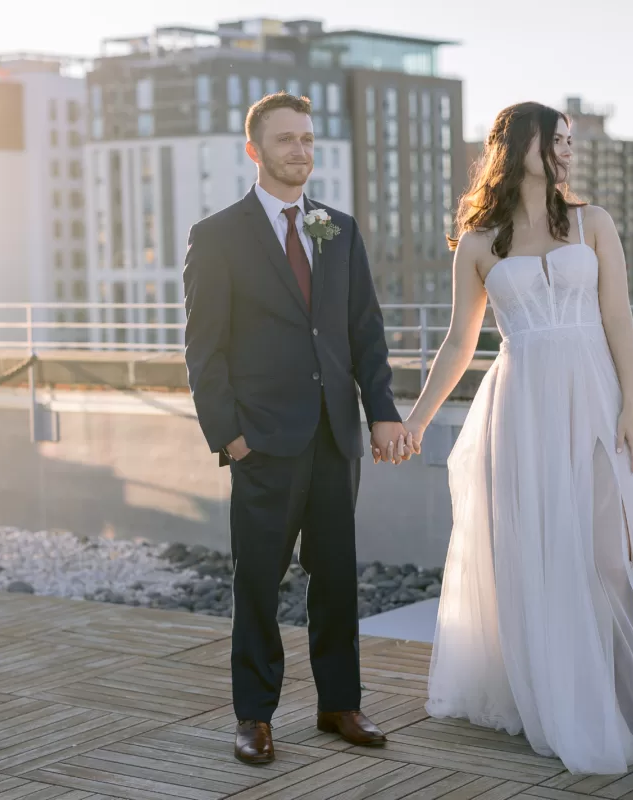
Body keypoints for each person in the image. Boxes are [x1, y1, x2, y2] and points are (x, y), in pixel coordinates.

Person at [402, 102, 633, 775]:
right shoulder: (478, 243)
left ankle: (623, 703)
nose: (566, 151)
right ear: (517, 144)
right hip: (521, 408)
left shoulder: (593, 222)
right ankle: (555, 702)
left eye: (569, 142)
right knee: (538, 558)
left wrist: (632, 408)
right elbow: (458, 344)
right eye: (554, 140)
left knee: (610, 559)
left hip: (596, 401)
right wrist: (416, 417)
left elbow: (619, 320)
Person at [183, 92, 411, 765]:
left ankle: (340, 704)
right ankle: (254, 716)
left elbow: (364, 333)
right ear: (254, 150)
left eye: (308, 139)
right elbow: (204, 349)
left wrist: (383, 414)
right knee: (258, 580)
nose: (301, 151)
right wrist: (230, 438)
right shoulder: (217, 234)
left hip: (335, 438)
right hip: (262, 439)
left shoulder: (337, 228)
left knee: (338, 576)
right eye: (286, 140)